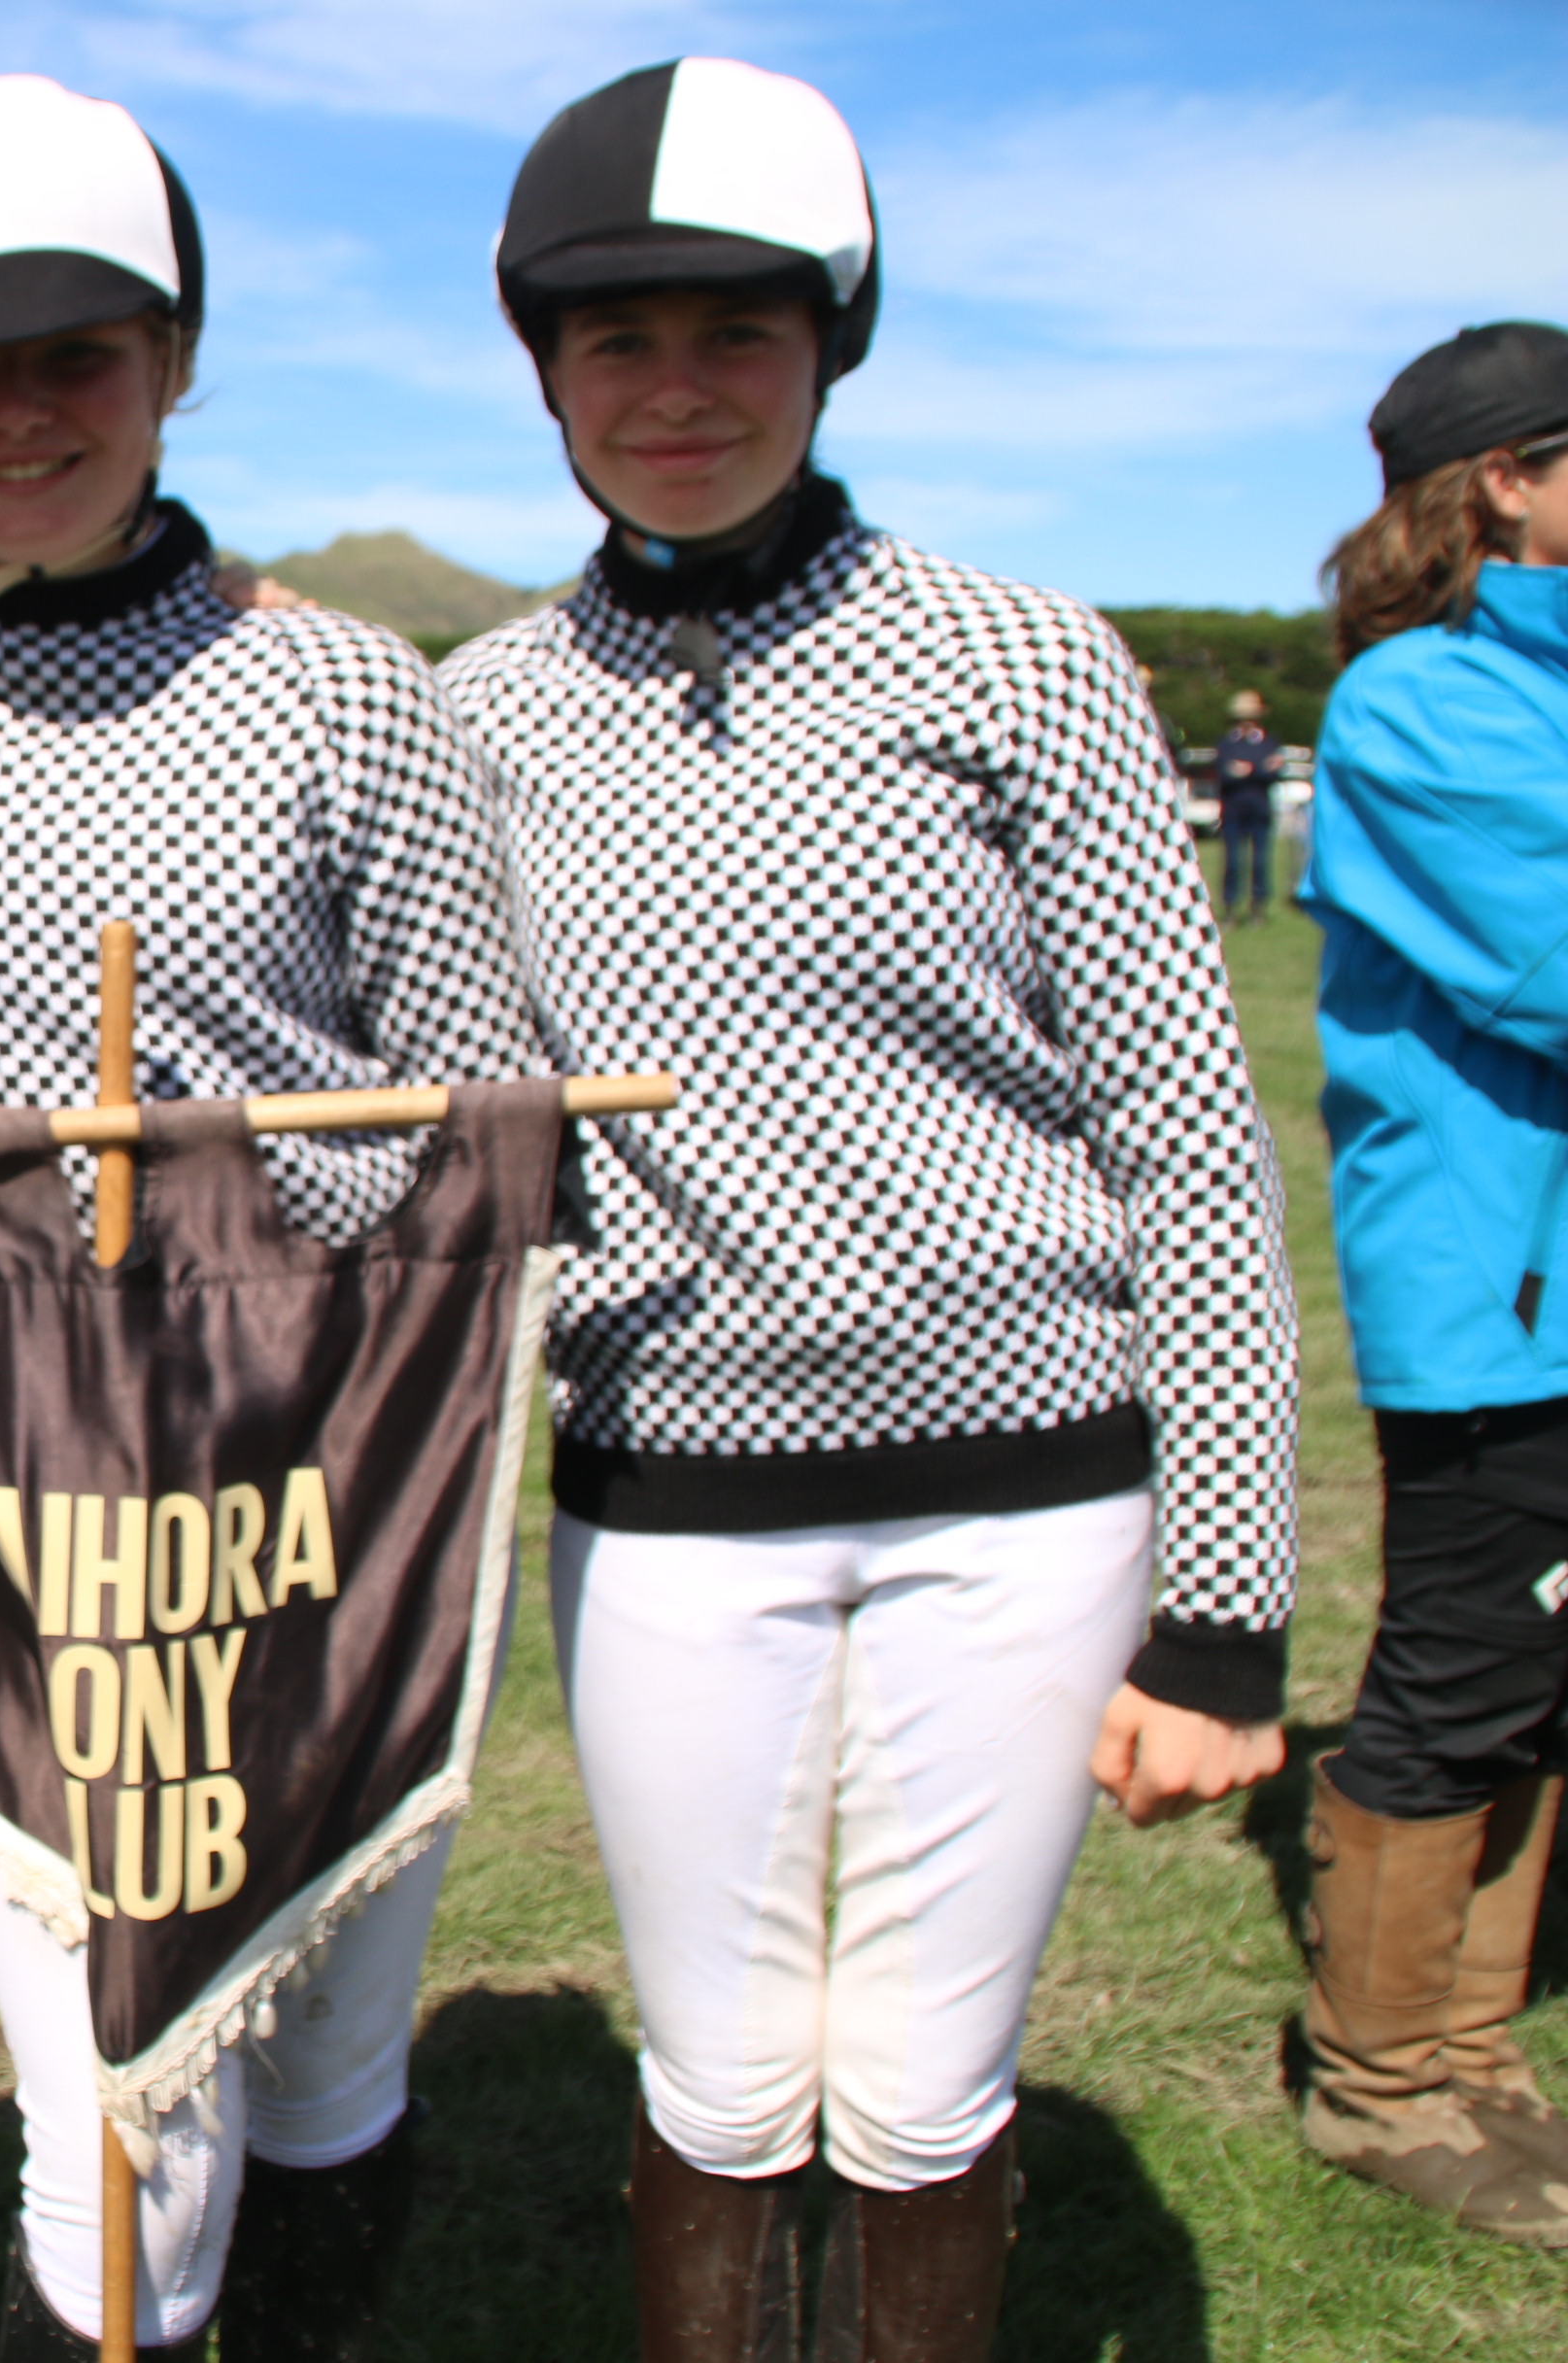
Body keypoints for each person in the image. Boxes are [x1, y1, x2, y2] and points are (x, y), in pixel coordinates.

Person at [437, 59, 1297, 2360]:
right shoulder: (484, 706)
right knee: (719, 2079)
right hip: (670, 1503)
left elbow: (1193, 1146)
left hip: (1020, 1507)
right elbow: (448, 1136)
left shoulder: (1017, 660)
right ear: (545, 372)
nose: (677, 390)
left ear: (833, 342)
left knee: (919, 2093)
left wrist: (1219, 1616)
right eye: (616, 342)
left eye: (737, 331)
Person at [0, 74, 548, 2358]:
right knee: (121, 2075)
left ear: (175, 359)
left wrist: (234, 1275)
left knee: (330, 2042)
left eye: (74, 353)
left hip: (318, 1477)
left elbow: (466, 1135)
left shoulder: (342, 688)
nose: (17, 414)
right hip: (28, 1514)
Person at [1292, 319, 1568, 2246]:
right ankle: (1378, 2080)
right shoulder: (1419, 705)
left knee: (1549, 1677)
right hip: (1502, 1290)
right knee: (1465, 1670)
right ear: (1508, 479)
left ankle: (1477, 2048)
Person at [1213, 688, 1283, 920]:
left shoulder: (1269, 742)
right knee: (1233, 861)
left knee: (1260, 861)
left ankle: (1258, 907)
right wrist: (1259, 768)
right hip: (1233, 809)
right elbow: (1224, 774)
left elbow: (1273, 774)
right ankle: (1231, 907)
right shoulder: (1226, 743)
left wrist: (1248, 770)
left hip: (1260, 808)